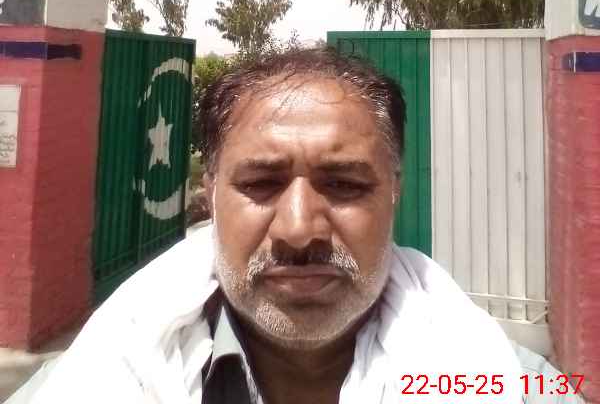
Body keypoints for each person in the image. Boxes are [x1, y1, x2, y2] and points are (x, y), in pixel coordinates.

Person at [8, 47, 523, 403]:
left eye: (344, 184)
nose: (298, 230)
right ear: (211, 193)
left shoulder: (511, 380)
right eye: (260, 184)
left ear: (394, 191)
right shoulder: (95, 377)